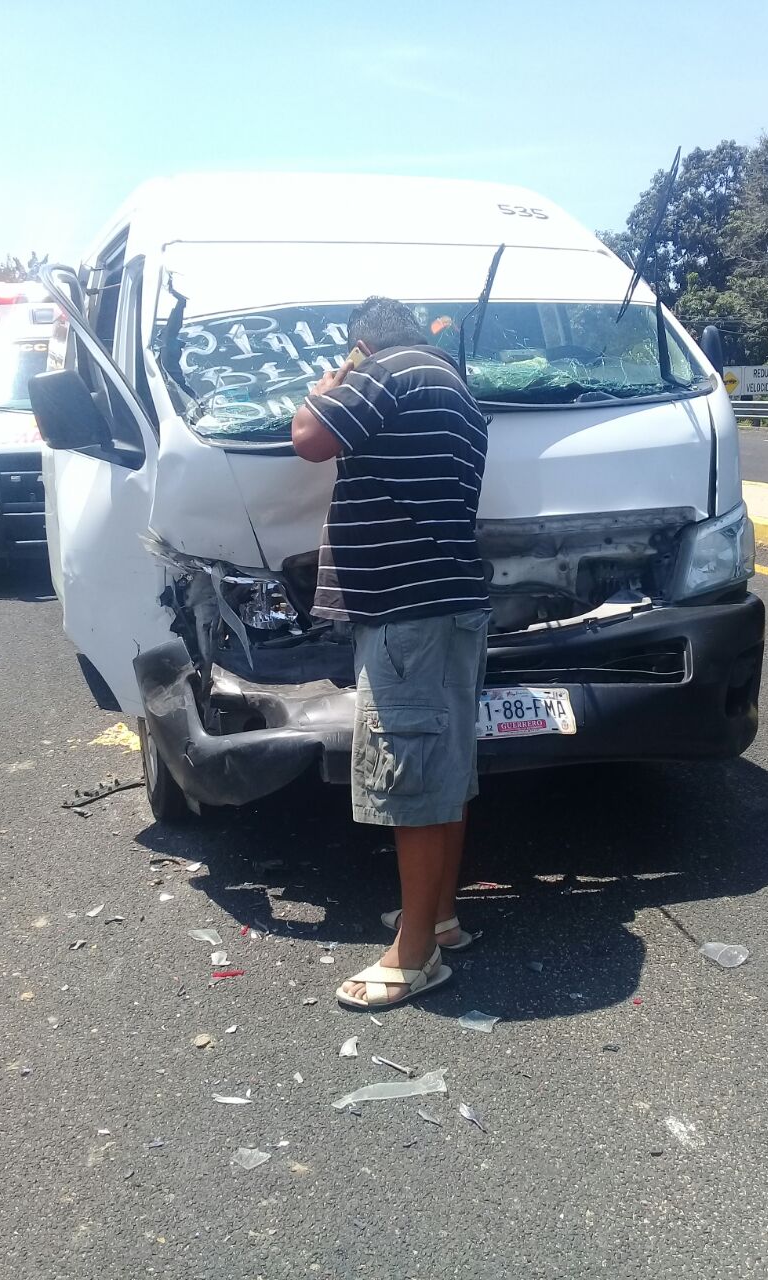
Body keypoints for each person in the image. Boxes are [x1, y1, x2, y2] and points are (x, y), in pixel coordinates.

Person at [291, 296, 489, 1011]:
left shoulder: (388, 370)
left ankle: (415, 957)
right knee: (442, 768)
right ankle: (437, 918)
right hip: (449, 605)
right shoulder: (452, 384)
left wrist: (323, 387)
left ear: (360, 347)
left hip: (410, 615)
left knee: (408, 777)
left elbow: (309, 437)